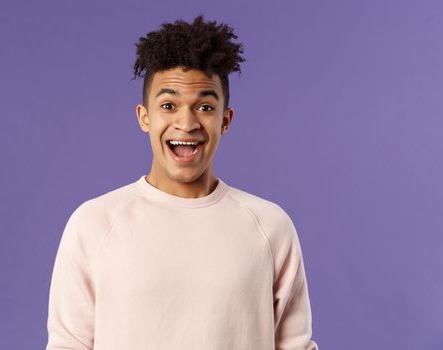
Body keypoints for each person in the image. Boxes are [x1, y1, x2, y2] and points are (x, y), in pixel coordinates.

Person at [46, 15, 319, 350]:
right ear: (144, 117)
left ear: (226, 120)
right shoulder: (93, 223)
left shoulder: (271, 226)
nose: (186, 123)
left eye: (204, 106)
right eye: (168, 105)